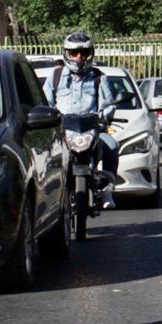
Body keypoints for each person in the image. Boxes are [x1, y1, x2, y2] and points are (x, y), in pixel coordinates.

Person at [44, 30, 118, 208]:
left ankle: (107, 191)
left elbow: (109, 105)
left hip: (91, 131)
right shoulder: (54, 77)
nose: (79, 58)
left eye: (84, 53)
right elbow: (46, 103)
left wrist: (103, 117)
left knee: (112, 146)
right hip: (63, 132)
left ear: (91, 54)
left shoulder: (100, 78)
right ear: (66, 54)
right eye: (74, 53)